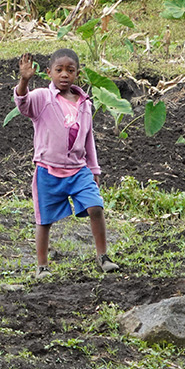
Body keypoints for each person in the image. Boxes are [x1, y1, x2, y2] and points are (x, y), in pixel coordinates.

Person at [14, 50, 116, 276]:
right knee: (44, 220)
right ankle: (42, 266)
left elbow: (89, 139)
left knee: (96, 207)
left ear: (77, 74)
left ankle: (102, 256)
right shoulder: (42, 98)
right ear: (49, 72)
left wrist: (94, 169)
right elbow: (22, 103)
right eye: (59, 70)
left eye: (70, 71)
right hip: (48, 170)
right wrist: (24, 80)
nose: (64, 75)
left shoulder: (85, 104)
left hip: (79, 170)